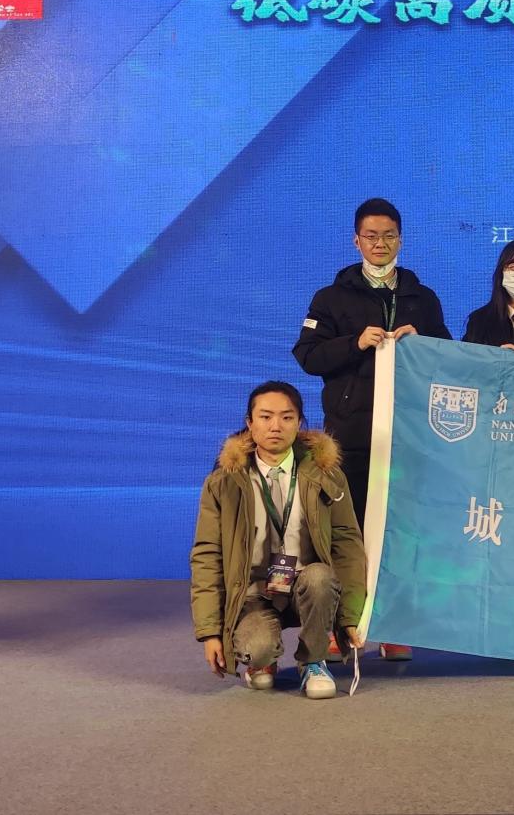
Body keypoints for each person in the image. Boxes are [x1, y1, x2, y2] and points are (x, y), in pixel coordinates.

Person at [292, 197, 450, 661]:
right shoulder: (331, 297)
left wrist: (423, 342)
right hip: (351, 439)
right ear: (356, 241)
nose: (380, 244)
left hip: (408, 435)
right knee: (347, 532)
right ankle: (342, 626)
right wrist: (354, 342)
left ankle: (393, 624)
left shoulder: (423, 297)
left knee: (401, 532)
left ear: (401, 240)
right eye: (371, 236)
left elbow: (449, 358)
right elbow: (308, 356)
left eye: (389, 236)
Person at [190, 382, 368, 699]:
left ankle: (313, 661)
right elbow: (207, 554)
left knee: (320, 578)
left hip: (307, 586)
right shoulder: (224, 482)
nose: (276, 426)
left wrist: (351, 617)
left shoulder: (326, 474)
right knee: (257, 649)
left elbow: (348, 544)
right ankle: (263, 660)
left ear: (299, 423)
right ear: (249, 423)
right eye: (265, 416)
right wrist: (209, 632)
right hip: (253, 592)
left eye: (287, 417)